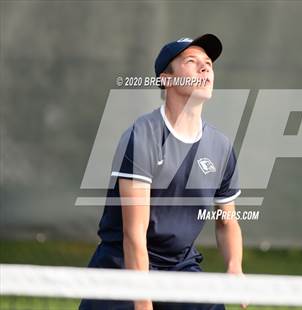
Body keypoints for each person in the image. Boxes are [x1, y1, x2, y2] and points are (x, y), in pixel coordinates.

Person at [79, 34, 245, 310]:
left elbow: (227, 223)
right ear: (166, 79)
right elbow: (134, 233)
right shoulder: (142, 137)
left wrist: (234, 268)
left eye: (208, 64)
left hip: (180, 267)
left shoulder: (221, 147)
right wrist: (143, 301)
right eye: (191, 62)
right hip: (122, 264)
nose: (205, 68)